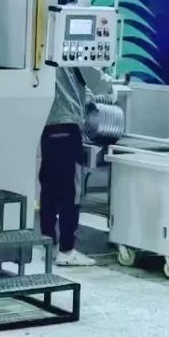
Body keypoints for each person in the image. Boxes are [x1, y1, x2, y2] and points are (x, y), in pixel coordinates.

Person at [40, 61, 116, 267]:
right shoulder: (73, 51)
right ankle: (67, 250)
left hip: (46, 125)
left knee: (49, 189)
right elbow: (97, 80)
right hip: (67, 124)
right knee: (70, 192)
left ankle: (48, 244)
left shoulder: (45, 50)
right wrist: (111, 87)